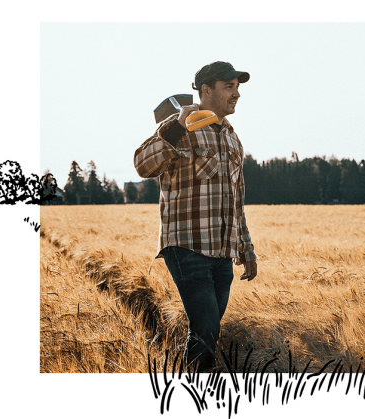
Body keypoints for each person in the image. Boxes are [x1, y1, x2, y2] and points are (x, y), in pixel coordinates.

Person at [133, 61, 258, 373]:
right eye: (229, 86)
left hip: (222, 252)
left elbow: (236, 200)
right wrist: (177, 127)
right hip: (187, 246)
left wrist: (247, 248)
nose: (237, 94)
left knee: (208, 331)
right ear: (205, 90)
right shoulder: (180, 127)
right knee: (205, 329)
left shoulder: (231, 138)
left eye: (238, 87)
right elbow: (142, 165)